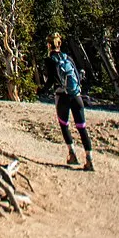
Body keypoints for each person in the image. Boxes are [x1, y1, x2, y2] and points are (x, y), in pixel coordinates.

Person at [43, 33, 94, 171]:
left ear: (49, 45)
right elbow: (77, 75)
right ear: (59, 44)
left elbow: (51, 80)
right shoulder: (68, 58)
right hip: (76, 96)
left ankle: (72, 154)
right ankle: (89, 159)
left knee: (64, 125)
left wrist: (41, 90)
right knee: (82, 128)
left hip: (62, 96)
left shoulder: (50, 60)